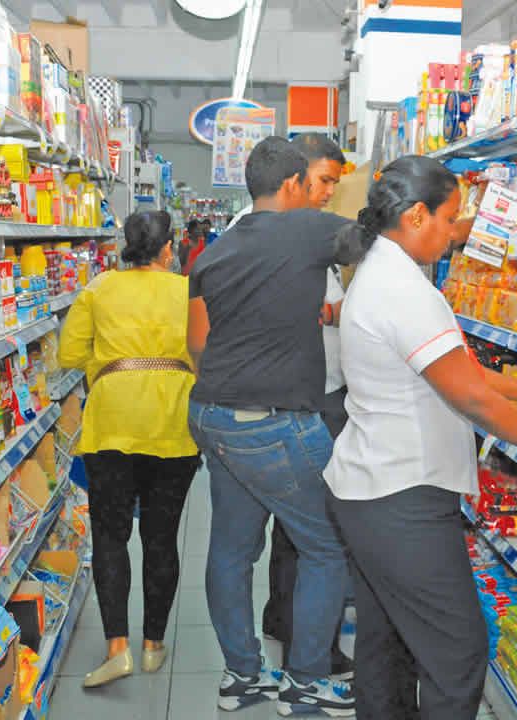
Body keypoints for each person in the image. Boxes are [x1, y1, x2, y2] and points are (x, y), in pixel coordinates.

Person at [324, 156, 517, 719]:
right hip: (401, 499)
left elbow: (451, 367)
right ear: (416, 215)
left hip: (371, 490)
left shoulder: (385, 273)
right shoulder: (402, 290)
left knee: (388, 645)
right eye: (450, 217)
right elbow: (472, 397)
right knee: (458, 654)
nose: (457, 231)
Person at [187, 137, 362, 716]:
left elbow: (197, 342)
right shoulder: (305, 229)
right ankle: (306, 681)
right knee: (327, 546)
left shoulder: (215, 251)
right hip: (273, 421)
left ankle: (241, 676)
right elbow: (379, 237)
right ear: (293, 184)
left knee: (232, 550)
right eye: (315, 184)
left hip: (212, 414)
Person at [224, 134, 352, 679]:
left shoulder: (307, 231)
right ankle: (310, 658)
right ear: (294, 178)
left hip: (309, 394)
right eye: (322, 181)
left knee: (288, 531)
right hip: (294, 401)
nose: (327, 193)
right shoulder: (275, 234)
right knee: (317, 534)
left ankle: (284, 621)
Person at [58, 210, 201, 688]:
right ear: (168, 248)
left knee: (110, 534)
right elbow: (205, 350)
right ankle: (153, 646)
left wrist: (107, 364)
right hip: (173, 423)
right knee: (161, 537)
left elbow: (68, 354)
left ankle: (116, 649)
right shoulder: (188, 291)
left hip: (112, 422)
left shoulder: (99, 288)